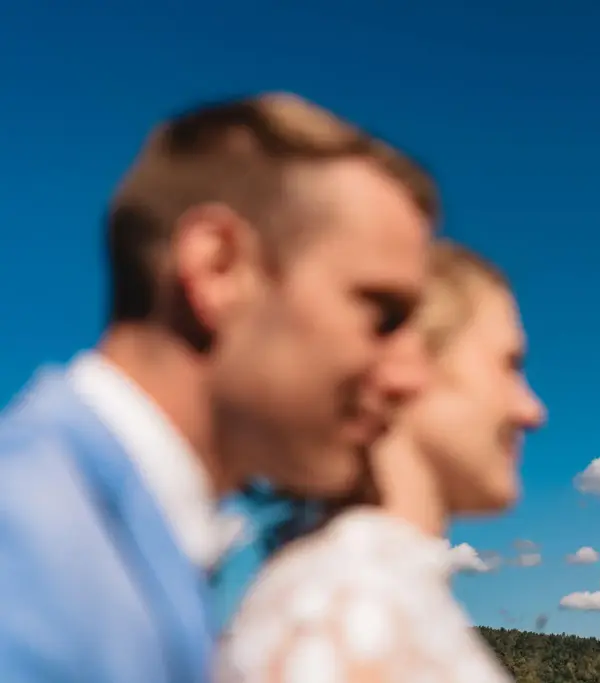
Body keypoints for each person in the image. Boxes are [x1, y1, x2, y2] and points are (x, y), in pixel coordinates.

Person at [0, 93, 438, 683]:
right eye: (382, 314)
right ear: (218, 268)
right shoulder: (26, 540)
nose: (411, 378)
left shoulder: (119, 540)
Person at [216, 240, 547, 683]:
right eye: (508, 366)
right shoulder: (353, 608)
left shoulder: (363, 592)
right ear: (405, 361)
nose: (531, 411)